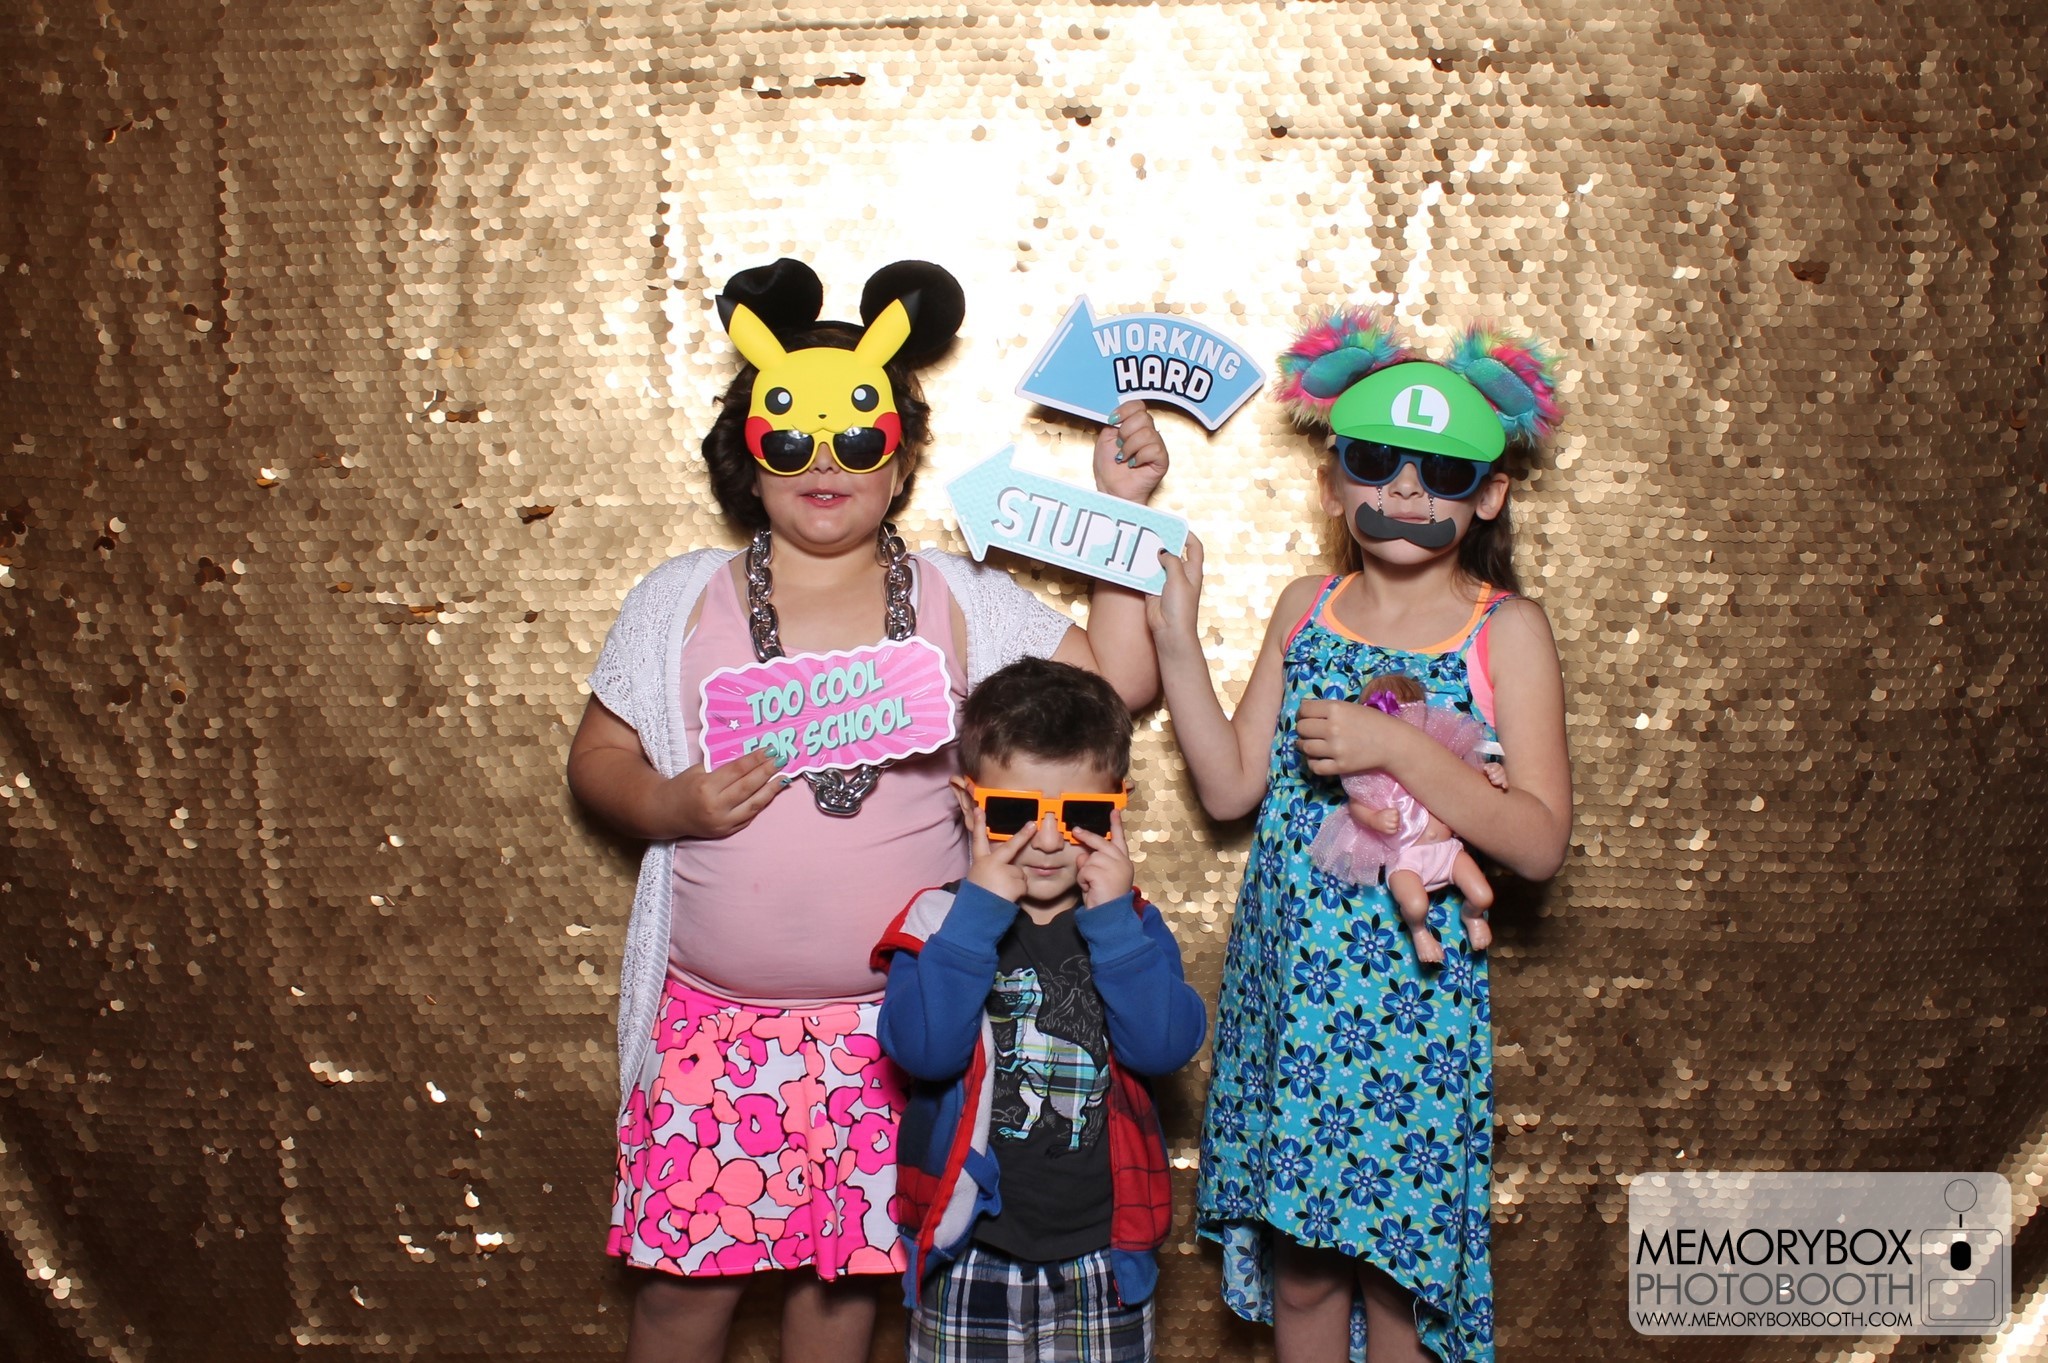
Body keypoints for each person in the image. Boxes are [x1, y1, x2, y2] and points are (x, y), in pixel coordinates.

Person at [566, 258, 1170, 1363]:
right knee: (679, 1297)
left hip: (891, 1037)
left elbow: (1117, 684)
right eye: (791, 437)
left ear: (897, 457)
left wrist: (1118, 516)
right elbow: (596, 757)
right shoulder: (679, 598)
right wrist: (667, 799)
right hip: (711, 1027)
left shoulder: (960, 600)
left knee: (843, 1296)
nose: (825, 462)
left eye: (857, 435)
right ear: (746, 456)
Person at [1146, 311, 1573, 1363]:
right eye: (1375, 463)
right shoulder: (1307, 607)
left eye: (1441, 473)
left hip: (1408, 1009)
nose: (1405, 493)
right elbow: (1229, 785)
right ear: (1331, 483)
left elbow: (1536, 842)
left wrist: (1397, 745)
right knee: (1302, 1273)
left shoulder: (1505, 629)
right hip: (1289, 992)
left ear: (1489, 495)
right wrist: (1174, 642)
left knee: (1395, 1279)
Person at [872, 659, 1208, 1363]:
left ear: (1118, 805)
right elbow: (924, 1052)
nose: (1049, 841)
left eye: (1081, 816)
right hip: (967, 1248)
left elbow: (1164, 1047)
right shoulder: (937, 923)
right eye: (1013, 813)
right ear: (968, 804)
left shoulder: (1129, 924)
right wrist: (977, 915)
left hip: (1102, 1254)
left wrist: (1113, 923)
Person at [1307, 672, 1506, 965]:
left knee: (1482, 896)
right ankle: (1419, 931)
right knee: (1415, 906)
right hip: (1406, 858)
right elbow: (1357, 806)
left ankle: (1472, 916)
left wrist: (1493, 774)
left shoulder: (1438, 754)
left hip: (1449, 852)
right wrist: (1375, 819)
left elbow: (1469, 780)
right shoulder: (1370, 772)